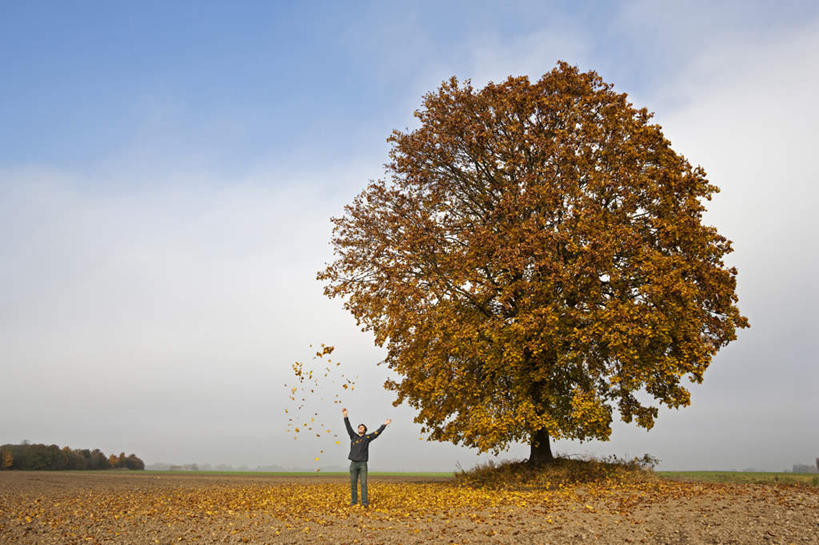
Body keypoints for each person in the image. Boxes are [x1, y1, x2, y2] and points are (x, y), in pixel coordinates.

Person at [342, 407, 390, 507]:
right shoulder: (353, 436)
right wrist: (345, 415)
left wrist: (384, 424)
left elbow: (377, 433)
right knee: (353, 484)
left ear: (364, 430)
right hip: (353, 463)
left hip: (363, 464)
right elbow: (348, 427)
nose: (360, 428)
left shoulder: (367, 438)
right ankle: (354, 501)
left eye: (362, 427)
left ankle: (364, 502)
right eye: (359, 427)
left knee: (363, 483)